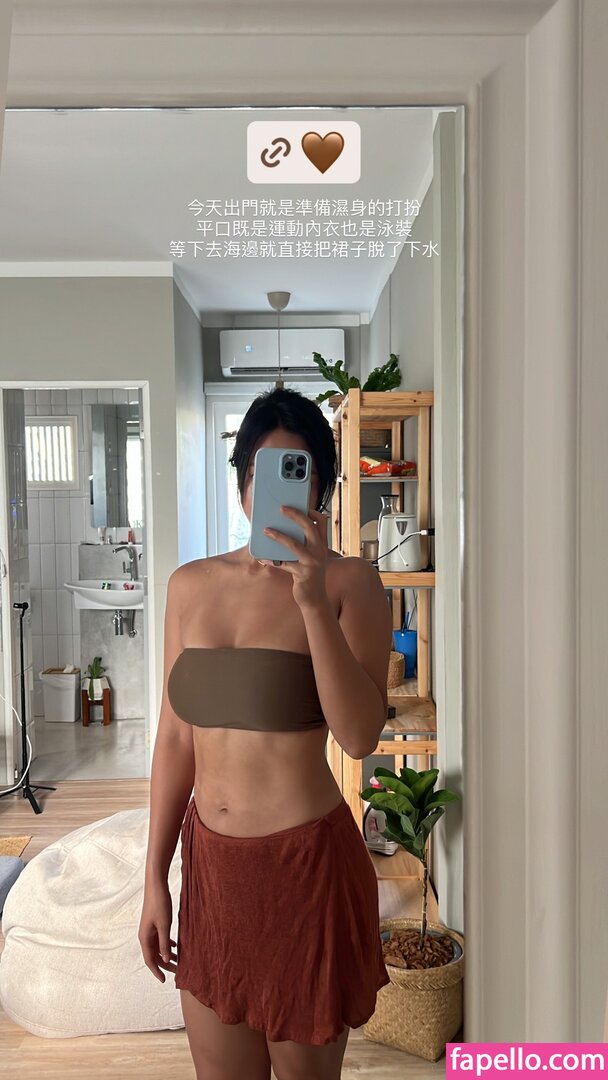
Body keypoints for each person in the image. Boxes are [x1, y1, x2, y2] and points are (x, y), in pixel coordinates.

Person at [138, 387, 393, 1080]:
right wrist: (154, 877)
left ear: (320, 489)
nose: (271, 491)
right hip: (215, 876)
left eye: (295, 472)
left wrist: (310, 600)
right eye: (258, 472)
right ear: (243, 483)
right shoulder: (189, 587)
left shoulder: (351, 584)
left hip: (306, 871)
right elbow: (175, 742)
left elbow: (360, 736)